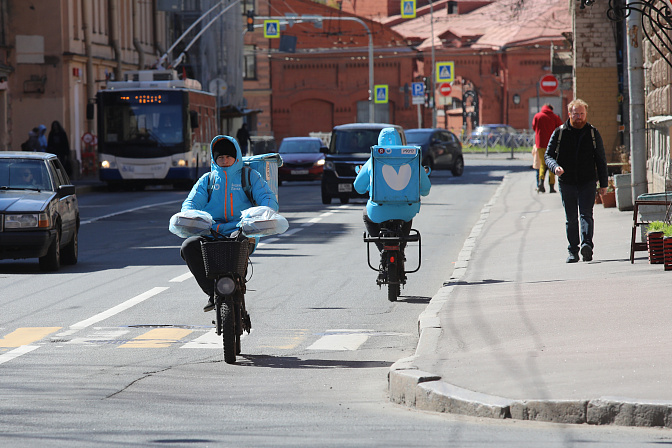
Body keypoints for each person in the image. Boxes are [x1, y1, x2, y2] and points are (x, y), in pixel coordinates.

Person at [179, 135, 278, 312]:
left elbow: (267, 197)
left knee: (238, 246)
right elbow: (191, 203)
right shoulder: (207, 180)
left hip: (242, 231)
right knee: (188, 246)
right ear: (214, 159)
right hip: (211, 233)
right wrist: (190, 215)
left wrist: (265, 213)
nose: (224, 161)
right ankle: (212, 293)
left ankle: (238, 285)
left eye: (228, 156)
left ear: (236, 157)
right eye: (220, 157)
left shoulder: (249, 176)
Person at [544, 99, 608, 263]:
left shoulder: (593, 133)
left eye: (581, 113)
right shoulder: (559, 132)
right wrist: (555, 167)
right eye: (575, 113)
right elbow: (548, 155)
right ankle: (573, 251)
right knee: (571, 218)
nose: (579, 117)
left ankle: (587, 245)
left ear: (586, 114)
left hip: (587, 181)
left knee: (586, 214)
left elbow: (601, 159)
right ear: (569, 114)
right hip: (567, 182)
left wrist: (604, 184)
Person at [353, 127, 431, 259]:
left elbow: (358, 187)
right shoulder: (412, 157)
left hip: (378, 211)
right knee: (407, 217)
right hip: (406, 211)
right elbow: (426, 189)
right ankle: (401, 250)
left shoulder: (374, 158)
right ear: (400, 141)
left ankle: (382, 251)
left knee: (366, 215)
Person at [533, 104, 563, 193]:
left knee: (542, 164)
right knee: (552, 165)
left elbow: (534, 127)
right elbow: (560, 128)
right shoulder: (555, 117)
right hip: (552, 144)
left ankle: (540, 184)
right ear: (551, 109)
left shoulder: (537, 116)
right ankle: (551, 187)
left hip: (540, 144)